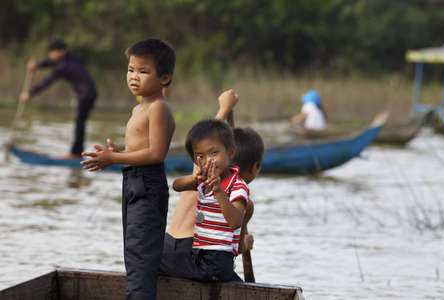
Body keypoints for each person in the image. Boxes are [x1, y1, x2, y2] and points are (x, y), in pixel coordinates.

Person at [81, 38, 176, 300]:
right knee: (133, 254)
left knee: (141, 257)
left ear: (164, 78)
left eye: (143, 72)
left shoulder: (158, 108)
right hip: (133, 181)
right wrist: (118, 153)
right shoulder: (138, 108)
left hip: (147, 183)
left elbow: (157, 154)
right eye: (131, 69)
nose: (134, 76)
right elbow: (142, 149)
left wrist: (114, 158)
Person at [161, 95, 264, 281]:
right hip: (195, 254)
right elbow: (238, 248)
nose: (208, 159)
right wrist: (247, 243)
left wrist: (224, 108)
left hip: (166, 250)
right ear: (255, 167)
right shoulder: (243, 202)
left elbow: (203, 141)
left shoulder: (200, 174)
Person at [20, 40, 98, 159]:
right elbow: (51, 62)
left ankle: (76, 153)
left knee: (79, 122)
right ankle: (77, 152)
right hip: (89, 93)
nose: (51, 55)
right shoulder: (70, 58)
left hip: (86, 95)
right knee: (80, 122)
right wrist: (37, 66)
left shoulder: (64, 66)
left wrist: (29, 94)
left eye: (53, 53)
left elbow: (47, 81)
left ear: (61, 52)